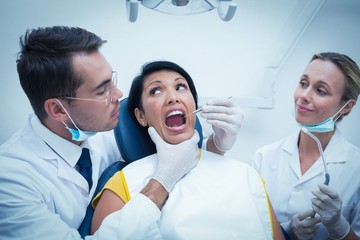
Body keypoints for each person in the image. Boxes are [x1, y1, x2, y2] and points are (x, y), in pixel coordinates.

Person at [0, 26, 242, 239]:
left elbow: (187, 163)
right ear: (58, 109)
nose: (118, 95)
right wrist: (162, 181)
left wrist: (217, 146)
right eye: (102, 90)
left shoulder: (103, 130)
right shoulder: (10, 180)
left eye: (112, 80)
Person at [90, 60, 285, 239]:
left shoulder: (247, 175)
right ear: (141, 116)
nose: (173, 97)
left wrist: (215, 146)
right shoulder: (122, 183)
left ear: (194, 103)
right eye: (156, 91)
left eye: (180, 87)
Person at [252, 52, 360, 240]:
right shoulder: (264, 157)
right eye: (303, 83)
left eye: (321, 90)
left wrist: (339, 227)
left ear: (347, 106)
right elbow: (248, 229)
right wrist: (286, 230)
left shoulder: (356, 167)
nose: (304, 96)